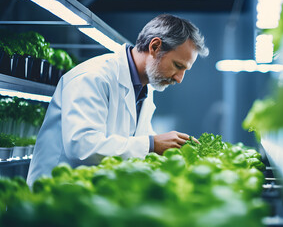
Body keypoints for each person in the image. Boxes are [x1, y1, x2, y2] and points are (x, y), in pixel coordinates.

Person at [27, 14, 209, 186]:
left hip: (93, 194)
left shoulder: (145, 88)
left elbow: (133, 142)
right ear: (155, 47)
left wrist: (171, 150)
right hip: (56, 191)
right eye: (178, 66)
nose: (179, 79)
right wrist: (152, 145)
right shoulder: (93, 77)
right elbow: (81, 146)